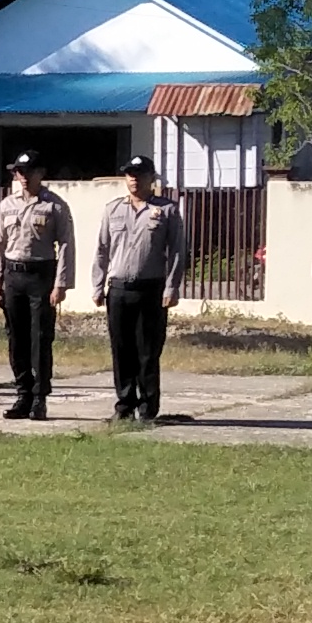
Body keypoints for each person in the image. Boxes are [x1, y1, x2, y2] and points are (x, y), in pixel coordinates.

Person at [94, 155, 185, 423]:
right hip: (119, 289)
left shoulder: (166, 210)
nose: (133, 178)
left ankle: (147, 408)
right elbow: (102, 250)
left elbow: (177, 251)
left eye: (139, 174)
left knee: (147, 352)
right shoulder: (113, 209)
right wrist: (98, 285)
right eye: (129, 174)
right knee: (121, 351)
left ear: (151, 178)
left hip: (151, 289)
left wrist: (172, 287)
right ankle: (124, 406)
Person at [0, 152, 71, 420]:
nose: (23, 177)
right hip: (14, 276)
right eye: (18, 172)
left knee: (40, 338)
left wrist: (61, 284)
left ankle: (39, 397)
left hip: (41, 275)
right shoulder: (7, 205)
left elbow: (66, 246)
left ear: (41, 173)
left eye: (28, 171)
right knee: (16, 338)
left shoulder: (54, 206)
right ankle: (22, 394)